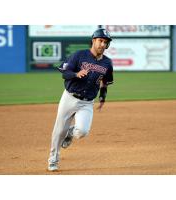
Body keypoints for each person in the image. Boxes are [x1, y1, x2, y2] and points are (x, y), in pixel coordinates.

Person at [48, 28, 114, 171]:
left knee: (82, 131)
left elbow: (105, 82)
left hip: (87, 102)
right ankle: (53, 159)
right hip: (69, 98)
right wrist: (76, 74)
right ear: (93, 41)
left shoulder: (107, 63)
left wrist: (102, 97)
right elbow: (65, 73)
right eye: (100, 40)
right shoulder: (79, 55)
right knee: (59, 131)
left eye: (105, 42)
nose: (103, 44)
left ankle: (70, 133)